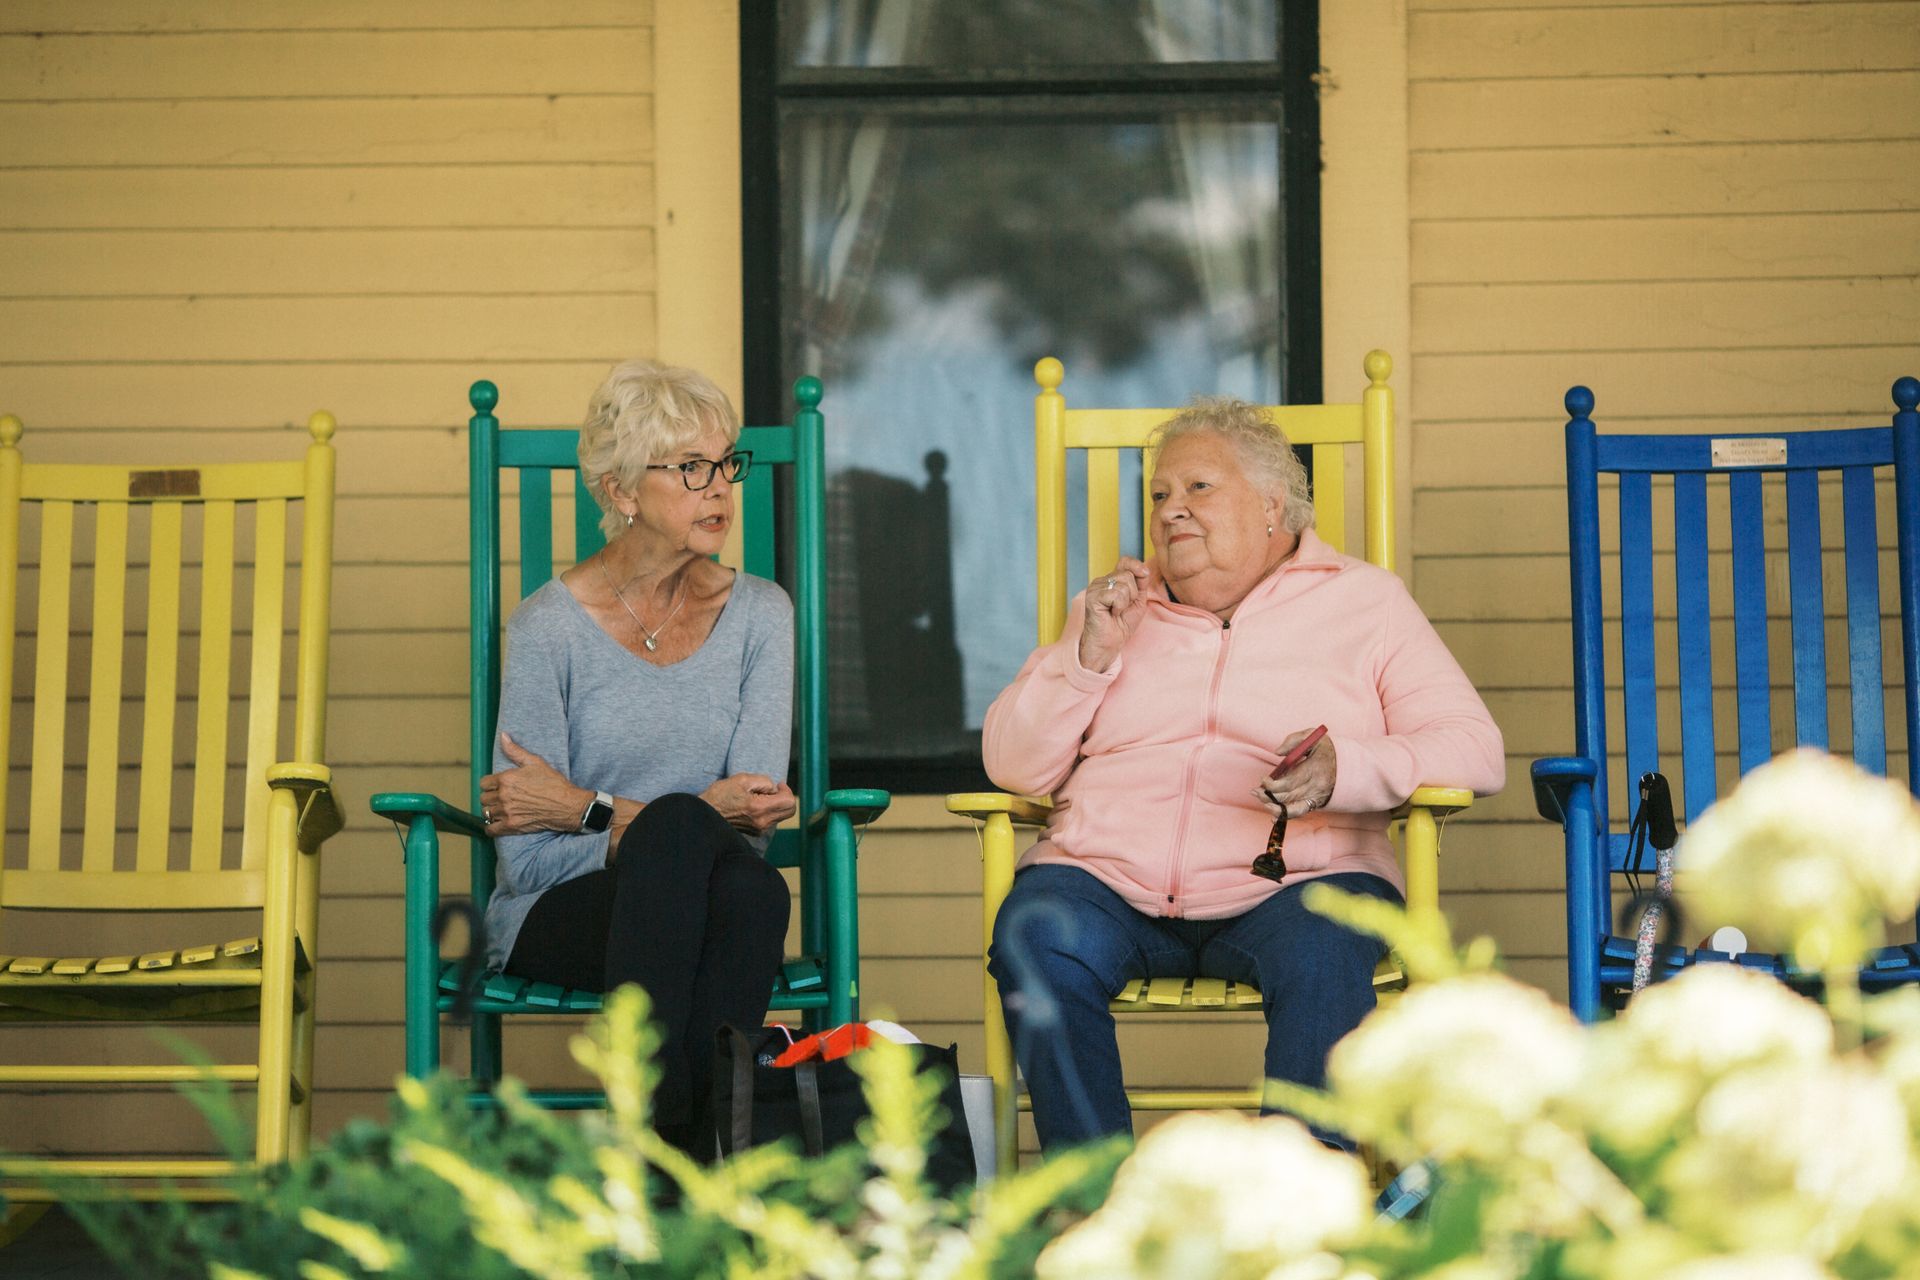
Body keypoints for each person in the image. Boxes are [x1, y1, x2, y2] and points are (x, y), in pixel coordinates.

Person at [983, 395, 1504, 1151]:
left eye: (1198, 489)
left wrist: (1347, 767)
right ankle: (1097, 1209)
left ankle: (1295, 1215)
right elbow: (1011, 764)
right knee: (1036, 932)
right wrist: (1088, 657)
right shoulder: (1112, 610)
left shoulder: (1365, 603)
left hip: (1296, 884)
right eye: (1159, 494)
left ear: (1271, 506)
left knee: (1328, 946)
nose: (1170, 511)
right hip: (1107, 882)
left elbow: (1473, 747)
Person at [476, 359, 797, 1160]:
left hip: (714, 895)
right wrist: (688, 816)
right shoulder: (545, 629)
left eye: (727, 463)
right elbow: (526, 861)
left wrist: (588, 808)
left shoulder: (761, 615)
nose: (720, 487)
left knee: (749, 889)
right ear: (620, 493)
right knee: (720, 863)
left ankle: (658, 1152)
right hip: (566, 911)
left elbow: (747, 826)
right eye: (691, 468)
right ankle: (698, 1158)